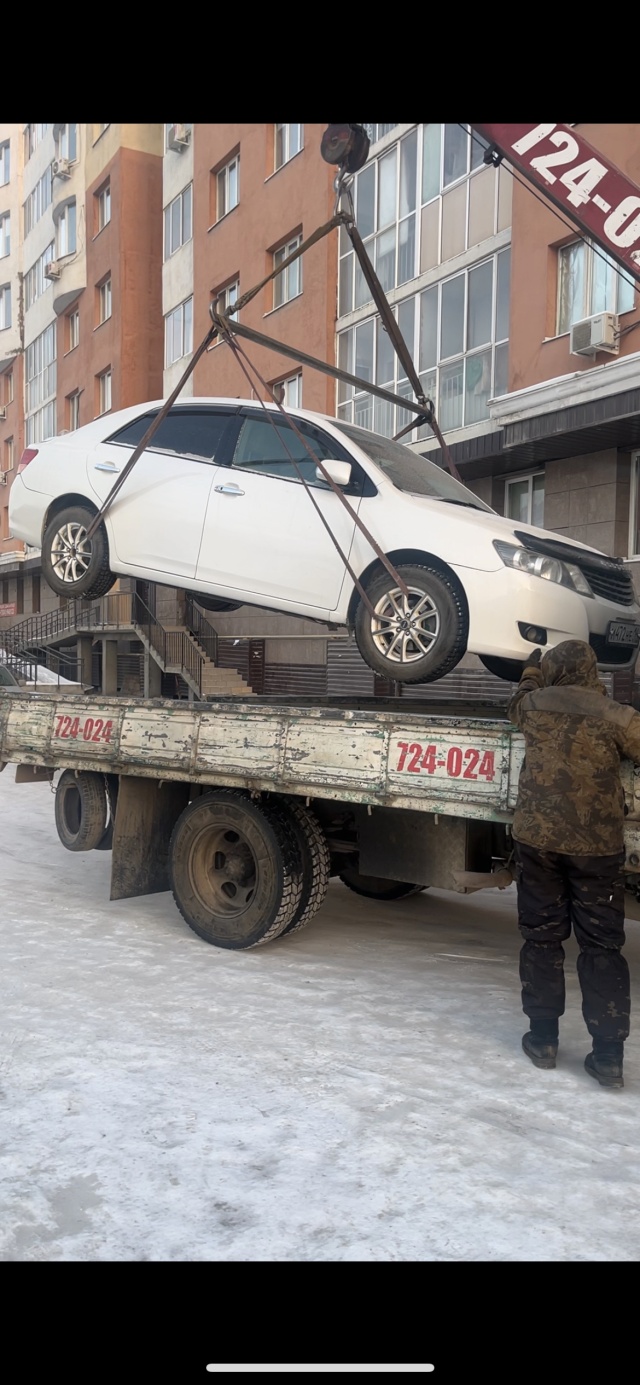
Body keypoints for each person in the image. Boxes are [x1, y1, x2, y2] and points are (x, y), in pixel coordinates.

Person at [508, 638, 640, 1089]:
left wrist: (530, 670)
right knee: (602, 946)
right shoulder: (617, 715)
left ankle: (542, 1040)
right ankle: (607, 1056)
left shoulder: (534, 704)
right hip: (596, 849)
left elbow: (516, 702)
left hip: (538, 843)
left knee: (541, 937)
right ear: (591, 672)